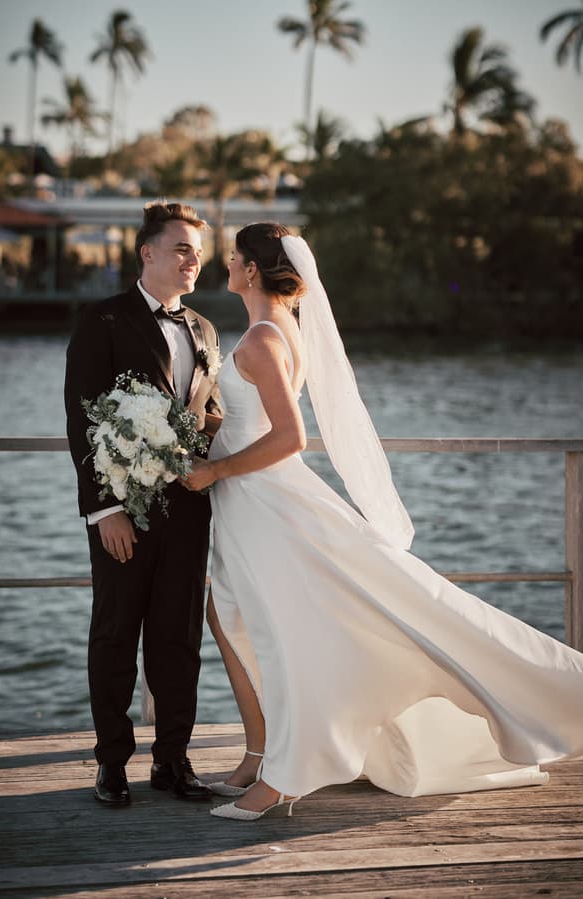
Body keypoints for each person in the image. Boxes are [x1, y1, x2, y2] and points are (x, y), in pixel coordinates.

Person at [183, 222, 583, 821]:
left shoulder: (261, 340)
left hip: (265, 501)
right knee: (232, 615)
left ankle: (284, 773)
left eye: (237, 257)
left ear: (256, 270)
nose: (229, 264)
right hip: (250, 502)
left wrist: (215, 471)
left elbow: (290, 439)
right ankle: (262, 750)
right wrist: (210, 434)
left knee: (278, 627)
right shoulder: (276, 330)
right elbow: (258, 423)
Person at [64, 202, 222, 805]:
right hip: (122, 513)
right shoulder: (102, 320)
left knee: (178, 639)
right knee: (114, 636)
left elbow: (207, 409)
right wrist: (104, 510)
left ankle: (173, 762)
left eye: (198, 251)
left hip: (189, 509)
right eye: (181, 248)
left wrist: (206, 441)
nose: (193, 260)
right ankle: (111, 765)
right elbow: (82, 420)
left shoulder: (205, 329)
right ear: (147, 252)